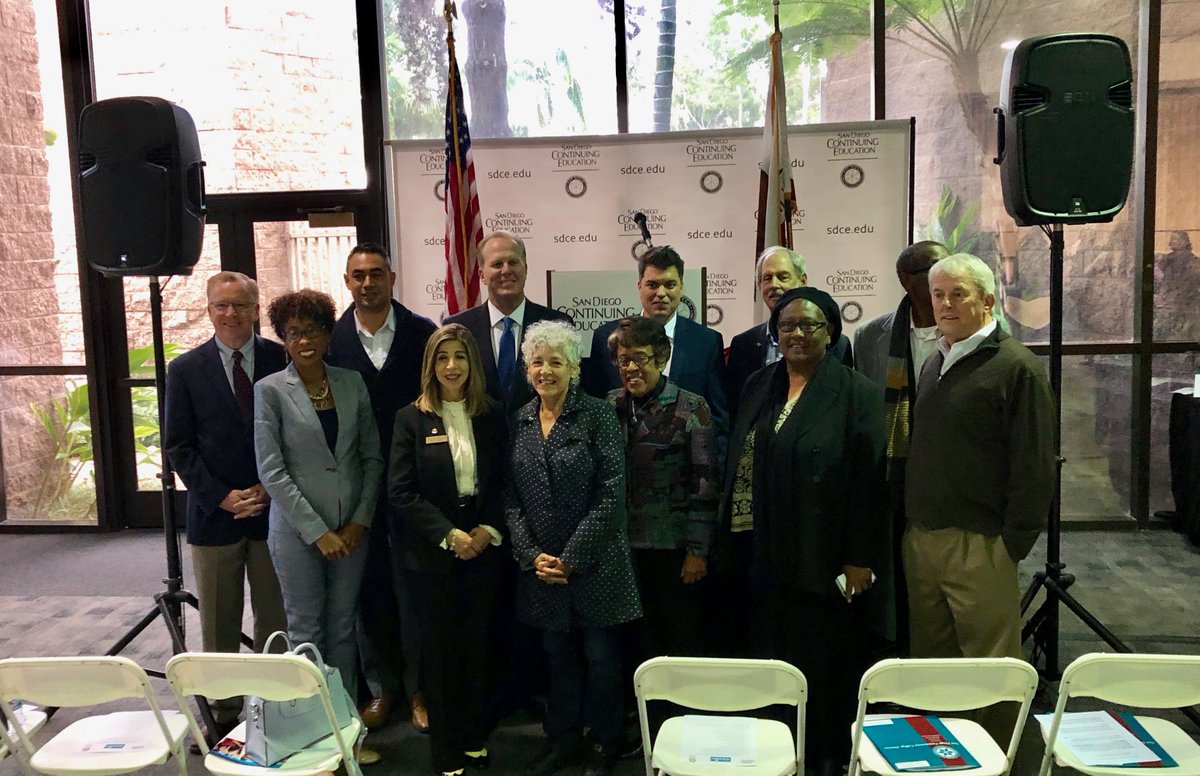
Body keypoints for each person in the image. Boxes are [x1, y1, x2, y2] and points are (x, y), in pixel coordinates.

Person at [720, 286, 887, 775]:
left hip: (825, 557)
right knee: (771, 655)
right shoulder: (759, 383)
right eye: (787, 325)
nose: (796, 333)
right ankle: (776, 747)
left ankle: (823, 755)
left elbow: (869, 483)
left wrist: (859, 557)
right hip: (762, 549)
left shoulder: (858, 393)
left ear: (831, 332)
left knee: (823, 661)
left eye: (809, 325)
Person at [904, 253, 1054, 739]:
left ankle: (997, 758)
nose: (945, 304)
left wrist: (1009, 545)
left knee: (990, 671)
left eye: (958, 293)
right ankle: (946, 756)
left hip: (981, 544)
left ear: (988, 300)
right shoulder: (935, 360)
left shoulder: (1017, 368)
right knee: (934, 668)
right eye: (938, 294)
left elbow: (1034, 468)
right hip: (924, 540)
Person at [506, 320, 642, 776]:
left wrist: (572, 557)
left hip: (596, 565)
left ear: (574, 368)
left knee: (602, 660)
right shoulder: (521, 421)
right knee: (558, 658)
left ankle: (606, 743)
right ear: (528, 369)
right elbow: (511, 499)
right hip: (543, 571)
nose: (546, 370)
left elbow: (611, 493)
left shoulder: (598, 414)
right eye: (538, 362)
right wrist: (530, 555)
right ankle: (562, 740)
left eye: (556, 362)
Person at [254, 289, 383, 741]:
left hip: (352, 530)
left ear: (328, 334)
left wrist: (359, 521)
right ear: (282, 340)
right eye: (293, 334)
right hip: (296, 534)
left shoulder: (351, 382)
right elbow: (272, 470)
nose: (304, 341)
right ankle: (311, 733)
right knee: (306, 629)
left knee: (344, 628)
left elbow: (372, 457)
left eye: (312, 331)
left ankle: (346, 731)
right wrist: (317, 532)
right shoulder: (269, 391)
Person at [164, 271, 288, 741]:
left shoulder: (282, 359)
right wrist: (221, 495)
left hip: (274, 509)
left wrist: (268, 487)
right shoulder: (186, 369)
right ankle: (222, 709)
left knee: (275, 615)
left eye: (240, 305)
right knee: (218, 617)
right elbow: (179, 446)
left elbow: (295, 436)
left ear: (257, 308)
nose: (231, 314)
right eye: (221, 306)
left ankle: (275, 702)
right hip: (213, 515)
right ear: (209, 309)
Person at [326, 242, 436, 736]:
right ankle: (384, 689)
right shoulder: (330, 341)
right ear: (347, 282)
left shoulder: (423, 334)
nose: (367, 283)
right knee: (369, 595)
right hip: (355, 490)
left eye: (376, 273)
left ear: (393, 277)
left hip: (415, 486)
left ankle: (420, 689)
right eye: (358, 275)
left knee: (416, 593)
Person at [388, 324, 507, 776]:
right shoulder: (410, 419)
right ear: (430, 365)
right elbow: (401, 493)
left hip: (482, 548)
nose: (451, 366)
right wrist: (449, 535)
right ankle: (445, 751)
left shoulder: (490, 414)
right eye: (442, 358)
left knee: (477, 648)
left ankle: (474, 738)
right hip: (432, 554)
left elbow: (501, 484)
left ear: (472, 364)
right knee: (438, 654)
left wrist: (485, 530)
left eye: (459, 357)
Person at [852, 240, 950, 655]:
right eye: (935, 269)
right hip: (890, 481)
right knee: (898, 582)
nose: (944, 277)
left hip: (949, 482)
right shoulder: (870, 336)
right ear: (907, 281)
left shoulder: (965, 330)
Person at [606, 316, 717, 658]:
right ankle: (636, 710)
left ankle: (674, 709)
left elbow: (706, 483)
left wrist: (698, 550)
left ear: (662, 357)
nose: (631, 368)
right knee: (632, 640)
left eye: (640, 358)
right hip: (622, 548)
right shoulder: (608, 405)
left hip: (673, 548)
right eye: (624, 360)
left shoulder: (691, 407)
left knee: (676, 636)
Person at [582, 246, 728, 449]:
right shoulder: (606, 337)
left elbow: (718, 420)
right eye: (652, 284)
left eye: (670, 284)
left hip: (683, 471)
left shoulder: (706, 342)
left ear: (681, 287)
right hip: (620, 467)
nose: (661, 293)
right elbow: (593, 409)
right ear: (639, 285)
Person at [446, 230, 575, 413]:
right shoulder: (459, 327)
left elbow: (572, 391)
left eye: (513, 262)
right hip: (478, 439)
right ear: (482, 275)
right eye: (497, 264)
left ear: (526, 269)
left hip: (541, 439)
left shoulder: (557, 323)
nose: (506, 270)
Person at [726, 246, 854, 414]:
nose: (774, 285)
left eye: (783, 277)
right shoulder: (743, 344)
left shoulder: (836, 342)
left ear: (802, 281)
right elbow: (736, 409)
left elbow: (843, 405)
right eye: (767, 278)